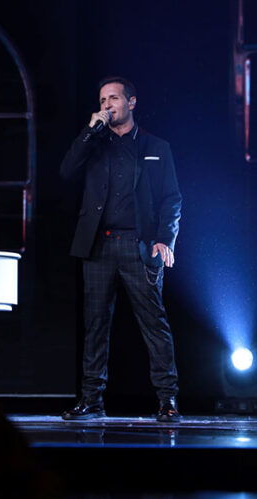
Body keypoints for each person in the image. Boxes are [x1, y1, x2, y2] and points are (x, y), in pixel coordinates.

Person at [59, 77, 182, 422]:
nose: (107, 105)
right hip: (98, 244)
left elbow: (172, 198)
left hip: (138, 244)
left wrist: (165, 238)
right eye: (102, 100)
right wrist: (89, 131)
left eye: (113, 98)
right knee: (95, 324)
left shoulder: (156, 146)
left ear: (131, 102)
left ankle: (168, 399)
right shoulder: (94, 144)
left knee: (153, 323)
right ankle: (91, 399)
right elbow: (66, 171)